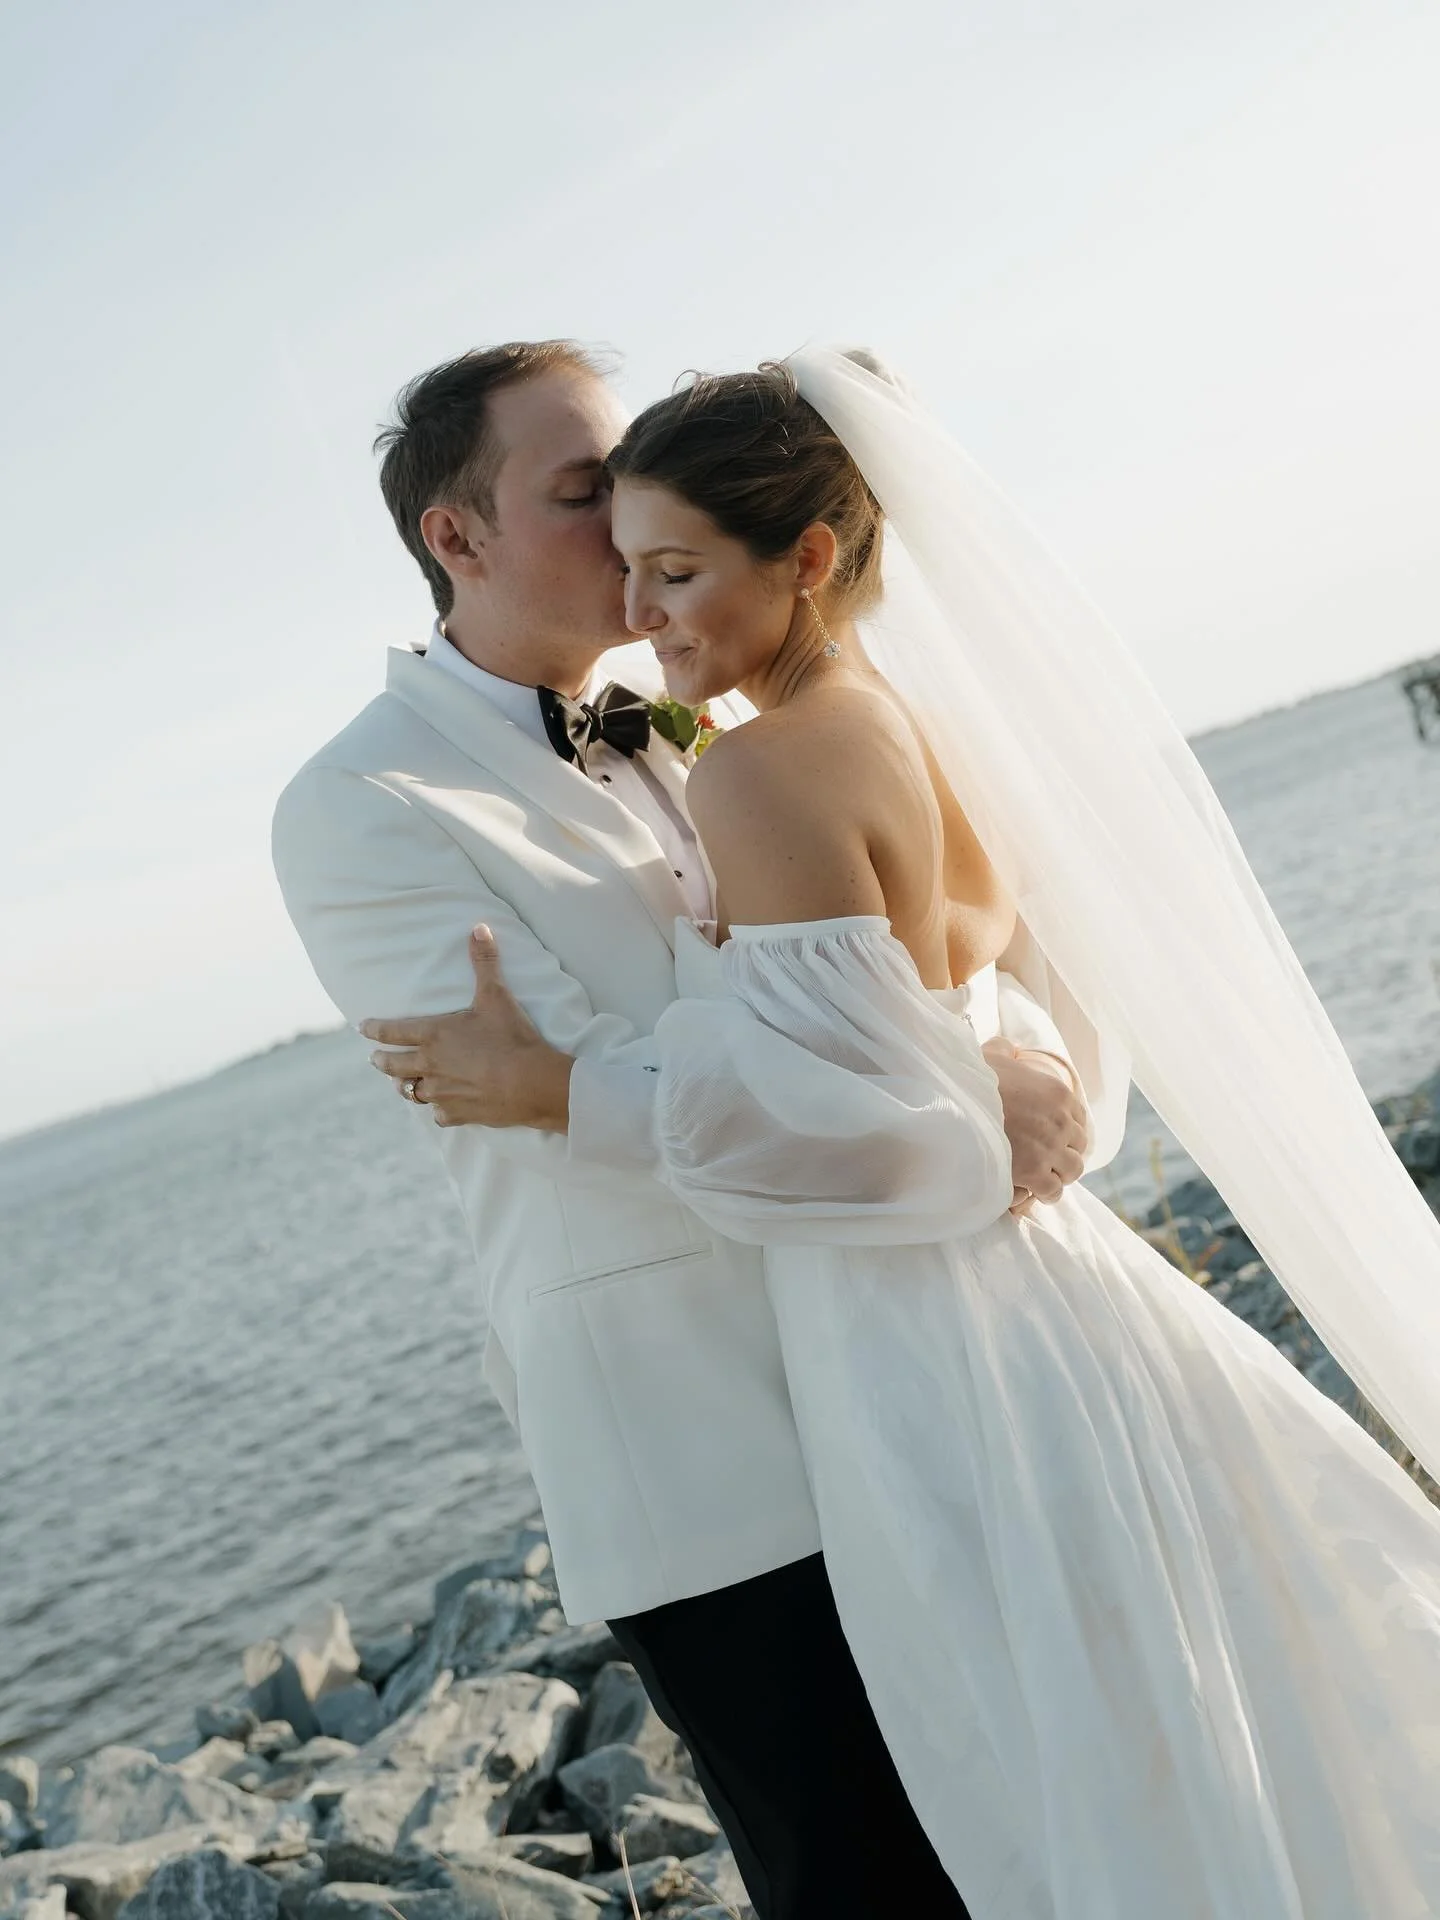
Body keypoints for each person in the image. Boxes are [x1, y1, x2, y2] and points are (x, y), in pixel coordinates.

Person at [364, 350, 1440, 1919]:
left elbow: (799, 1114)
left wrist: (556, 1091)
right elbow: (979, 993)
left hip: (917, 1332)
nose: (638, 590)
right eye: (594, 512)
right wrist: (992, 1072)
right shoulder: (908, 726)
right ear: (458, 536)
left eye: (669, 558)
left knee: (1040, 1781)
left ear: (800, 558)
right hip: (1033, 1311)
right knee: (1183, 1717)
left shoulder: (752, 761)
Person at [271, 340, 1094, 1920]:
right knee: (864, 1875)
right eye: (584, 493)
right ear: (459, 537)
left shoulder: (710, 711)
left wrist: (1008, 1059)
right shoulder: (360, 803)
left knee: (1037, 1832)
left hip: (908, 1363)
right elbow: (569, 1101)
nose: (636, 515)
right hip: (704, 1453)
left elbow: (923, 949)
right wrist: (960, 1115)